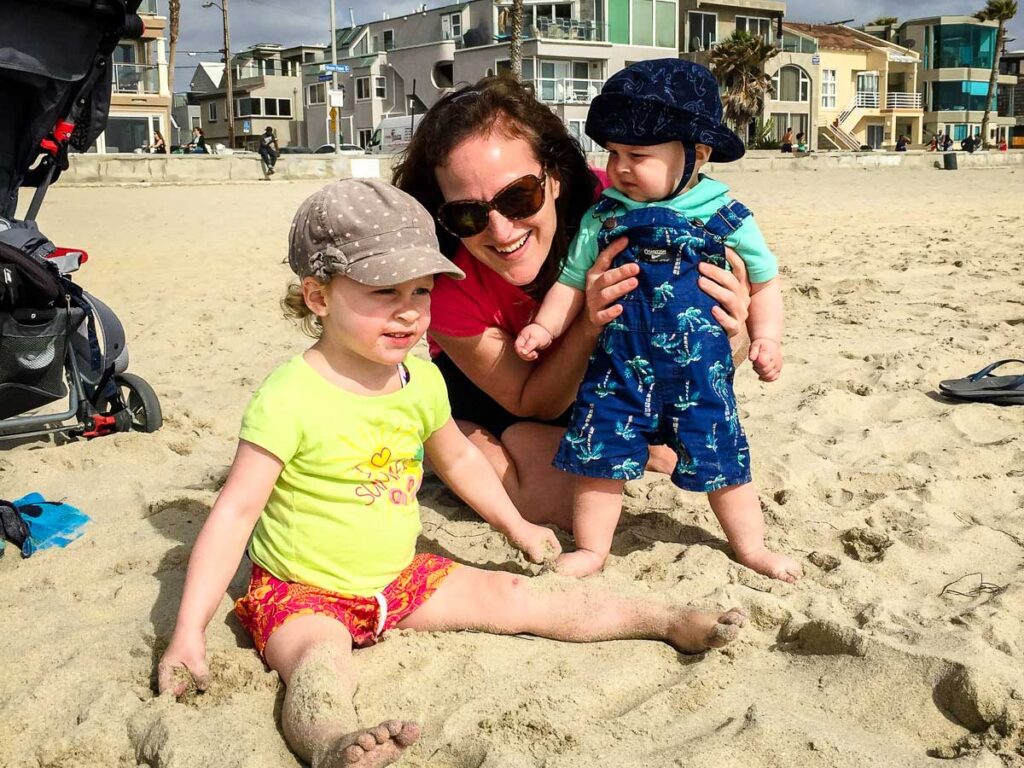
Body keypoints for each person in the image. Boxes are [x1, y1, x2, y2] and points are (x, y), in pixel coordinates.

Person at [156, 178, 748, 768]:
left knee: (517, 595)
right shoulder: (289, 398)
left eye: (422, 288)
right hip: (302, 594)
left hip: (399, 577)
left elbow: (460, 458)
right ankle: (334, 744)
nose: (409, 310)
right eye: (383, 290)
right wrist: (189, 630)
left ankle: (664, 620)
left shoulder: (421, 381)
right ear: (318, 297)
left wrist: (514, 526)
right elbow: (234, 513)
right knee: (318, 664)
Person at [392, 76, 752, 536]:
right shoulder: (441, 281)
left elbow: (729, 351)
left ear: (555, 177)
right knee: (540, 486)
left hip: (616, 385)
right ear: (441, 213)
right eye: (468, 213)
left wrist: (731, 330)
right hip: (501, 399)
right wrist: (588, 322)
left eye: (519, 197)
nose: (501, 232)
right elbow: (529, 402)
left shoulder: (626, 207)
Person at [511, 60, 800, 582]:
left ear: (699, 154)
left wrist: (767, 337)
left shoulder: (725, 215)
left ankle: (752, 545)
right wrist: (547, 327)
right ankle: (593, 550)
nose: (619, 167)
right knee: (599, 461)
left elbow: (764, 280)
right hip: (618, 371)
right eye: (614, 153)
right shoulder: (605, 215)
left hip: (699, 373)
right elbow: (574, 282)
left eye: (638, 155)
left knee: (723, 459)